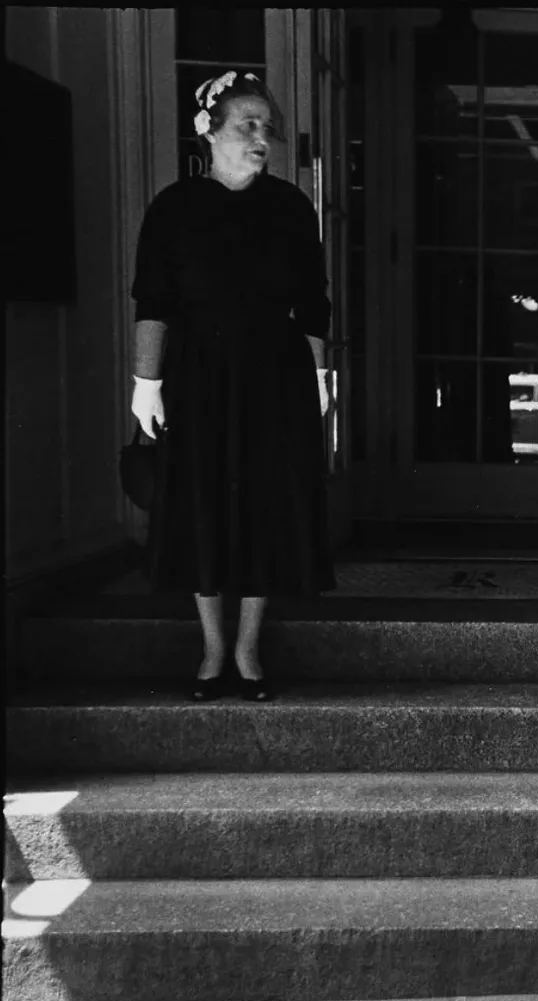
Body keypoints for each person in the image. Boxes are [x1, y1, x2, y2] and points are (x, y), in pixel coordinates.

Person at [130, 71, 335, 703]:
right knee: (202, 500)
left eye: (266, 127)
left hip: (275, 373)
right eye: (247, 124)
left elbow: (313, 303)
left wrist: (323, 374)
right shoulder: (174, 207)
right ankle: (212, 647)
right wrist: (146, 381)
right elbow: (154, 301)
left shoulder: (290, 207)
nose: (260, 136)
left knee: (265, 504)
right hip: (195, 376)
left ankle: (248, 649)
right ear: (208, 132)